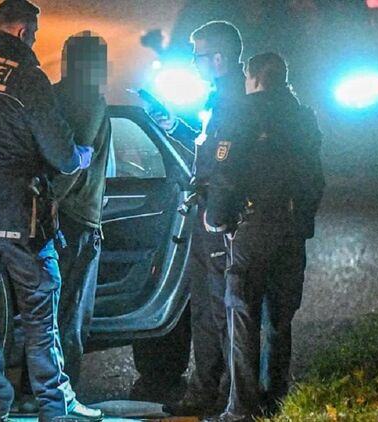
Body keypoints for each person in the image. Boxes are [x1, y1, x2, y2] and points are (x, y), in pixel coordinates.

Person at [0, 1, 103, 421]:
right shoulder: (28, 79)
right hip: (19, 218)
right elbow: (61, 154)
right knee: (39, 313)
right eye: (35, 33)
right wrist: (81, 156)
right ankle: (53, 406)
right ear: (24, 31)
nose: (34, 40)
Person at [204, 52, 324, 422]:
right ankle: (277, 400)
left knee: (243, 314)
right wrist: (302, 221)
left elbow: (225, 172)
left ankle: (242, 407)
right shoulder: (303, 117)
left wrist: (215, 217)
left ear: (254, 78)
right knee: (279, 319)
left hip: (253, 226)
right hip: (291, 227)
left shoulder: (241, 113)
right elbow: (315, 179)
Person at [149, 20, 247, 416]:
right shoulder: (219, 96)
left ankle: (231, 394)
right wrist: (173, 126)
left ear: (218, 58)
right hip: (207, 210)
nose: (194, 61)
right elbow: (208, 146)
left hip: (218, 216)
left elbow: (228, 163)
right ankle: (206, 389)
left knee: (223, 309)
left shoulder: (235, 99)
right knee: (205, 307)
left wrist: (216, 216)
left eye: (198, 55)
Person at [12, 30, 111, 414]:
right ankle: (60, 397)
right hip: (74, 218)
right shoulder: (91, 101)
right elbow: (76, 157)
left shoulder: (50, 95)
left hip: (41, 214)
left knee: (43, 310)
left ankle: (30, 390)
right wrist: (54, 198)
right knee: (70, 315)